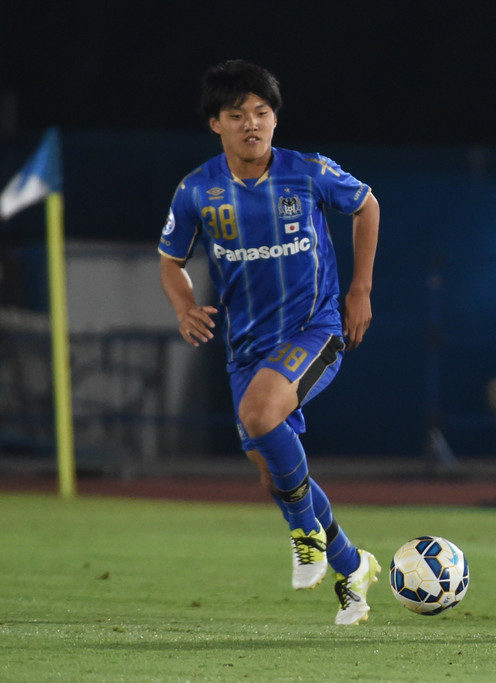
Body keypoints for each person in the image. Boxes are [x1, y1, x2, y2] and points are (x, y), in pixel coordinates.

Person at [157, 60, 381, 625]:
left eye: (262, 112)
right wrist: (184, 305)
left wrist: (360, 289)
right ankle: (352, 566)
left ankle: (305, 532)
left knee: (260, 416)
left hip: (314, 330)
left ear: (276, 118)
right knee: (271, 471)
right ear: (217, 124)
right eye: (238, 115)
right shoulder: (197, 190)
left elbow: (367, 205)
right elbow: (170, 259)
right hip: (247, 349)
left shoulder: (307, 172)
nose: (252, 124)